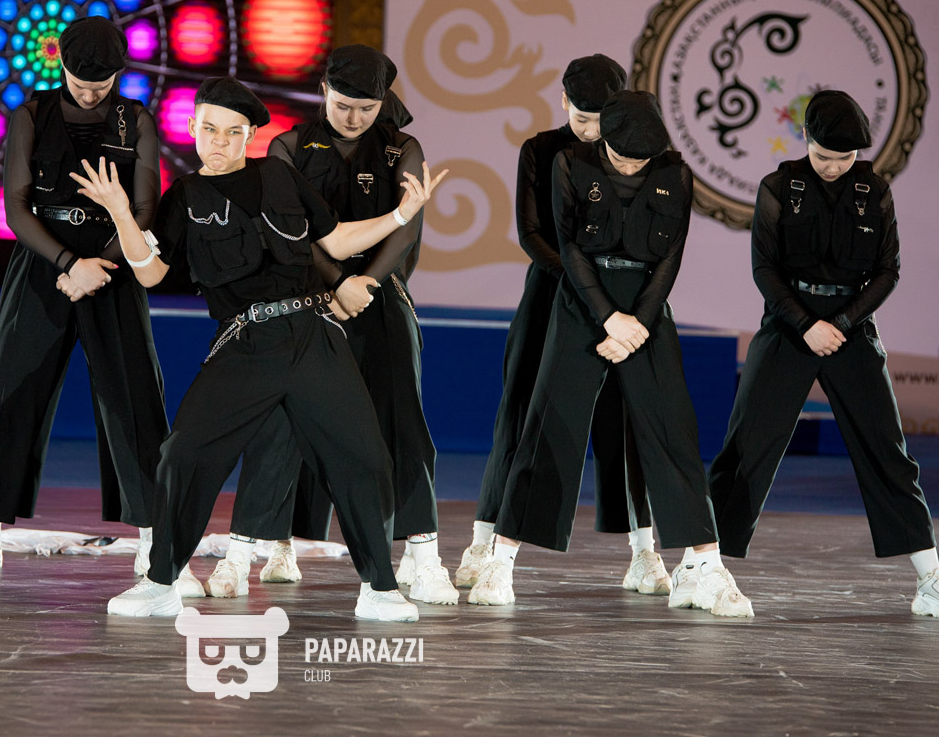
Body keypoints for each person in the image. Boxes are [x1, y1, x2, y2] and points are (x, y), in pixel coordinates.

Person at [75, 77, 446, 620]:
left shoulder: (280, 175)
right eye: (209, 129)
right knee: (184, 455)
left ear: (250, 135)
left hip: (312, 336)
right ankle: (160, 583)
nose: (219, 141)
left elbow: (336, 241)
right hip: (244, 343)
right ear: (192, 128)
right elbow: (151, 273)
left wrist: (400, 215)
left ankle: (380, 590)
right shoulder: (185, 196)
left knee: (363, 457)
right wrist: (120, 212)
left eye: (232, 132)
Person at [469, 91, 752, 617]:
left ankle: (706, 570)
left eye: (640, 160)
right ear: (605, 139)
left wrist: (636, 323)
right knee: (548, 427)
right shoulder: (569, 164)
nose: (630, 166)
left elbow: (670, 257)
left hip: (646, 312)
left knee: (672, 431)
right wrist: (608, 318)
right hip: (583, 304)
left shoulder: (676, 173)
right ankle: (500, 565)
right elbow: (570, 249)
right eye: (622, 157)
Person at [0, 17, 169, 591]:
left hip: (114, 268)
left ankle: (156, 542)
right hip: (42, 266)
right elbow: (16, 207)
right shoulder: (31, 114)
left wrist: (98, 266)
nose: (90, 94)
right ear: (61, 66)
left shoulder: (137, 120)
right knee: (8, 397)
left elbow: (145, 209)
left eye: (101, 86)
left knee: (134, 400)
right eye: (80, 84)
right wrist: (68, 264)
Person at [212, 45, 459, 606]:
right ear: (323, 90)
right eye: (343, 104)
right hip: (303, 293)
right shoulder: (289, 146)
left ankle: (424, 557)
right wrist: (335, 285)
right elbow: (286, 228)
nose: (353, 117)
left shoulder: (402, 147)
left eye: (366, 108)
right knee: (281, 422)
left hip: (379, 291)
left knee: (402, 420)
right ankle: (255, 550)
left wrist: (364, 282)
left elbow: (406, 227)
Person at [706, 90, 938, 617]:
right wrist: (806, 324)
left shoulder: (875, 192)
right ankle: (703, 569)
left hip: (851, 328)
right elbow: (764, 269)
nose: (833, 166)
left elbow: (888, 271)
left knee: (887, 451)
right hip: (789, 324)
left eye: (845, 157)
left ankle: (931, 579)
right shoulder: (777, 187)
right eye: (823, 155)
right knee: (747, 447)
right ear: (805, 139)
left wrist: (842, 324)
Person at [457, 55, 667, 597]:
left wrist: (610, 299)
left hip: (620, 303)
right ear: (564, 102)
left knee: (626, 419)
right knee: (521, 409)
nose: (592, 131)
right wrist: (581, 284)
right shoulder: (541, 149)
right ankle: (484, 539)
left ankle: (644, 552)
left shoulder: (635, 154)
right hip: (553, 291)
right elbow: (531, 233)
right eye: (582, 118)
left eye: (602, 120)